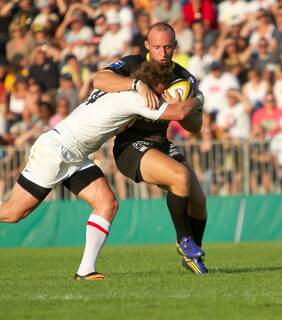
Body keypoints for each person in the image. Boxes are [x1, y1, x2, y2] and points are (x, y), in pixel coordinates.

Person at [0, 61, 203, 280]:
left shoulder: (119, 88)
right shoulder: (137, 98)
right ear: (155, 86)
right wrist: (199, 98)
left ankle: (86, 271)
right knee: (12, 214)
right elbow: (180, 113)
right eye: (164, 88)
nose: (166, 93)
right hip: (56, 151)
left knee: (107, 203)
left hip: (74, 154)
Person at [93, 22, 208, 274]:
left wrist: (183, 110)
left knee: (198, 201)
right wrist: (135, 84)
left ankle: (193, 256)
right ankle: (183, 241)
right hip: (130, 145)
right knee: (180, 177)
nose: (163, 53)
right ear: (147, 45)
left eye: (168, 47)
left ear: (175, 46)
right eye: (157, 47)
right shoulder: (132, 63)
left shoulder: (184, 78)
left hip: (160, 142)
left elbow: (196, 126)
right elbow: (100, 78)